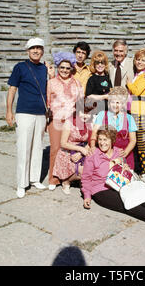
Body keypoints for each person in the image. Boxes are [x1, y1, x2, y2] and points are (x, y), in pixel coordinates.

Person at [81, 126, 145, 231]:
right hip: (100, 189)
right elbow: (86, 178)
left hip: (118, 185)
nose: (102, 143)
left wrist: (125, 167)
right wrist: (87, 196)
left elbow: (125, 167)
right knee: (127, 203)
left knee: (137, 195)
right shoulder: (93, 155)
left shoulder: (118, 152)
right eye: (100, 139)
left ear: (112, 140)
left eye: (105, 140)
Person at [6, 37, 55, 198]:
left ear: (42, 51)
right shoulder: (20, 67)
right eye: (33, 48)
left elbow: (50, 90)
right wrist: (9, 111)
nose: (36, 51)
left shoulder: (44, 69)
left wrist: (51, 74)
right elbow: (12, 89)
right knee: (23, 147)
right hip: (24, 112)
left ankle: (34, 179)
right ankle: (21, 183)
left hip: (41, 113)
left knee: (37, 147)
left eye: (39, 48)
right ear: (28, 51)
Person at [47, 51, 84, 191]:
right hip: (56, 120)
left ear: (71, 69)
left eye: (67, 68)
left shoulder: (77, 83)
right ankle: (54, 178)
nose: (64, 70)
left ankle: (68, 177)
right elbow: (48, 102)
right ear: (57, 67)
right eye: (62, 67)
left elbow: (81, 103)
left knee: (70, 149)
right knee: (55, 149)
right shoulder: (51, 83)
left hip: (72, 121)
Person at [52, 98, 94, 195]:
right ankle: (66, 181)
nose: (85, 116)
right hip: (67, 151)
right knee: (83, 171)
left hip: (82, 150)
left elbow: (90, 141)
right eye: (83, 112)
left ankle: (80, 180)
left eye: (88, 113)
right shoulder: (69, 122)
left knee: (91, 168)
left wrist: (81, 152)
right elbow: (63, 143)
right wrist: (79, 149)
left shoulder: (88, 123)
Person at [90, 87, 137, 169]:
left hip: (124, 155)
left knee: (123, 179)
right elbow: (94, 134)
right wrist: (93, 147)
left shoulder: (129, 118)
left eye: (118, 102)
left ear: (123, 104)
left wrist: (125, 152)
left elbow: (133, 140)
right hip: (104, 154)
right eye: (112, 102)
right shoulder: (102, 115)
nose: (115, 105)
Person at [126, 48, 145, 182]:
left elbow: (136, 91)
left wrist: (128, 84)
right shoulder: (138, 74)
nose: (139, 62)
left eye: (143, 60)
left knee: (142, 143)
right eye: (138, 59)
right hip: (134, 112)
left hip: (141, 114)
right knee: (139, 143)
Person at [85, 50, 112, 114]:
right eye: (97, 63)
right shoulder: (92, 79)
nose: (100, 65)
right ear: (94, 65)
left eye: (102, 63)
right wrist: (105, 97)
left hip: (108, 111)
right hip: (96, 111)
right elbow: (89, 96)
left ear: (105, 64)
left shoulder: (108, 77)